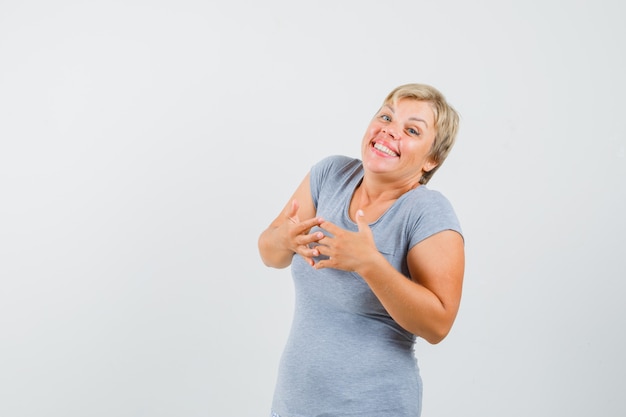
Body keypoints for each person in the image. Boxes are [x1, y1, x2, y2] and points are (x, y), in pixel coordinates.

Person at [258, 83, 465, 417]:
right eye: (386, 116)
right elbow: (269, 254)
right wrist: (285, 240)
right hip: (293, 405)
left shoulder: (427, 211)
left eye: (411, 130)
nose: (390, 130)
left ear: (432, 159)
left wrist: (370, 264)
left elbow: (438, 325)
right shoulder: (330, 175)